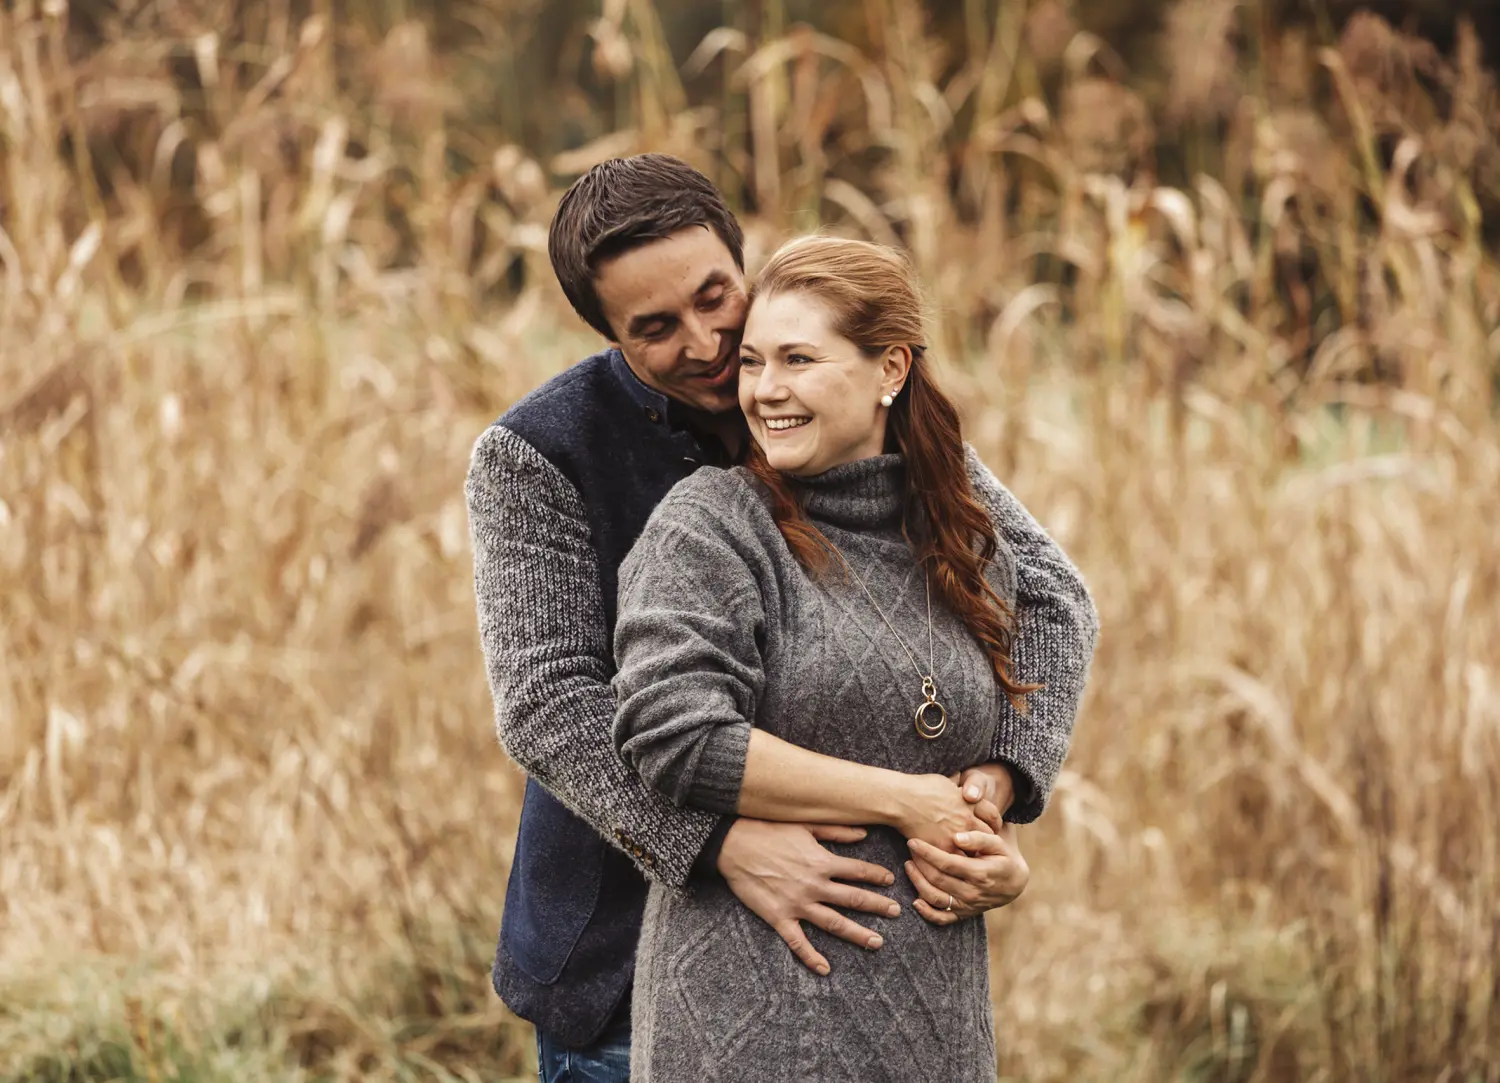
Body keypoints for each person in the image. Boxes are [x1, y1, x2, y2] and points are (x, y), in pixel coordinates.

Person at [465, 154, 1098, 1083]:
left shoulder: (837, 404)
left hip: (867, 959)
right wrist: (719, 845)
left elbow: (1051, 597)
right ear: (607, 335)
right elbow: (549, 704)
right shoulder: (537, 455)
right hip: (616, 950)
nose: (711, 343)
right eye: (655, 328)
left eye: (715, 295)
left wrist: (993, 785)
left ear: (739, 257)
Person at [611, 235, 1072, 1081]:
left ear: (890, 369)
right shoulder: (711, 524)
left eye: (797, 358)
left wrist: (991, 816)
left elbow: (1052, 625)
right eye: (753, 362)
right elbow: (673, 733)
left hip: (934, 1023)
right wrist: (904, 802)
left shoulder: (960, 532)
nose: (764, 390)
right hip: (750, 1022)